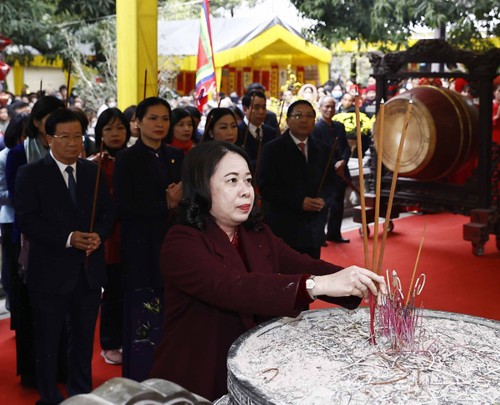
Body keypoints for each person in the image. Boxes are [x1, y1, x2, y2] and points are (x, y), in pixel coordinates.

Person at [149, 141, 387, 401]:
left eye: (248, 180)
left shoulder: (255, 233)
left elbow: (302, 264)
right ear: (202, 186)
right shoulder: (181, 242)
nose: (246, 191)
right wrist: (316, 285)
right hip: (199, 374)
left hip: (251, 368)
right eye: (232, 181)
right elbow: (233, 287)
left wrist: (357, 280)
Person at [14, 108, 114, 404]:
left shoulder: (92, 171)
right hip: (49, 273)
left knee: (83, 341)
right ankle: (48, 395)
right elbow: (27, 220)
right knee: (48, 341)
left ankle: (81, 393)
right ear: (49, 139)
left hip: (87, 272)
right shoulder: (30, 173)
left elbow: (108, 212)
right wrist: (69, 238)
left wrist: (99, 234)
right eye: (65, 137)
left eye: (78, 136)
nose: (73, 143)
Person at [113, 96, 184, 381]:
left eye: (165, 119)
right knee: (143, 320)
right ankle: (141, 380)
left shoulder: (177, 156)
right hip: (141, 250)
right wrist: (165, 202)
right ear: (138, 123)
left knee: (172, 317)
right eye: (152, 118)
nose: (159, 124)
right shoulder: (126, 158)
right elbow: (124, 206)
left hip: (174, 247)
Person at [6, 95, 66, 388]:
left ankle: (62, 369)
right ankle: (35, 373)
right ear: (38, 122)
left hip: (64, 241)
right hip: (30, 241)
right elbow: (20, 201)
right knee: (34, 311)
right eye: (48, 116)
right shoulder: (19, 154)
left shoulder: (72, 151)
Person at [258, 100, 336, 259]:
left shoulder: (323, 149)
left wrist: (323, 200)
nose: (304, 120)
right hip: (284, 227)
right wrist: (299, 202)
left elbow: (331, 183)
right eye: (298, 115)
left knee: (313, 275)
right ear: (287, 120)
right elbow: (266, 187)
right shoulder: (272, 149)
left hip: (313, 228)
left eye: (309, 116)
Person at [89, 108, 131, 366]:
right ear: (100, 133)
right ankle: (109, 343)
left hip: (135, 236)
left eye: (120, 128)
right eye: (109, 129)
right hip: (110, 239)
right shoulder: (94, 163)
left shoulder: (135, 158)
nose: (116, 134)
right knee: (113, 292)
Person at [312, 96, 351, 243]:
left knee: (338, 205)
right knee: (324, 205)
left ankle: (334, 234)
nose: (329, 110)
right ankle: (320, 236)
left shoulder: (339, 126)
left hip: (341, 172)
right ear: (320, 107)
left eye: (332, 107)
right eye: (326, 106)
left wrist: (343, 161)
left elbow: (346, 147)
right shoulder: (315, 128)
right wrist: (334, 164)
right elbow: (319, 152)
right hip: (325, 173)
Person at [236, 91, 275, 169]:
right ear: (245, 109)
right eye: (256, 107)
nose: (261, 112)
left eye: (264, 107)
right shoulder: (237, 132)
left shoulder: (271, 132)